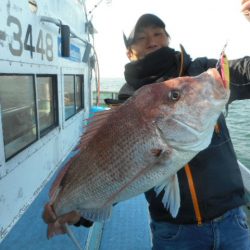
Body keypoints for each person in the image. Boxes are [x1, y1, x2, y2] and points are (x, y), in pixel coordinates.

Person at [43, 1, 250, 249]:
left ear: (168, 38)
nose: (151, 40)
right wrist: (79, 213)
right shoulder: (126, 99)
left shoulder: (199, 73)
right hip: (173, 232)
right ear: (130, 52)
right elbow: (116, 171)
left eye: (158, 33)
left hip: (232, 221)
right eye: (141, 38)